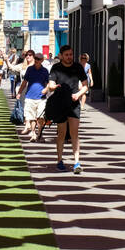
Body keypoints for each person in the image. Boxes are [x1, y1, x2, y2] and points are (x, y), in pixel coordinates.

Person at [43, 45, 89, 174]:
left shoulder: (78, 67)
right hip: (60, 103)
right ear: (61, 55)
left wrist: (78, 95)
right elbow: (51, 84)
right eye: (67, 55)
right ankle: (59, 160)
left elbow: (85, 86)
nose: (69, 57)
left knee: (74, 133)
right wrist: (54, 87)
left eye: (71, 54)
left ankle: (76, 162)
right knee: (62, 133)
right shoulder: (56, 68)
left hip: (74, 103)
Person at [18, 49, 49, 142]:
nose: (37, 60)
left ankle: (39, 133)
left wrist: (46, 89)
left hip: (41, 98)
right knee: (31, 117)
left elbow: (48, 83)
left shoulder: (45, 71)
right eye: (36, 58)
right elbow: (24, 82)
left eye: (39, 59)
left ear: (42, 60)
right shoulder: (30, 69)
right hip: (29, 97)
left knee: (41, 117)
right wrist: (19, 92)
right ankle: (34, 134)